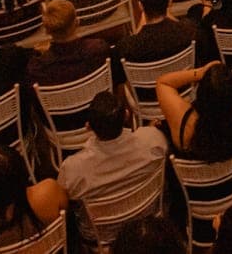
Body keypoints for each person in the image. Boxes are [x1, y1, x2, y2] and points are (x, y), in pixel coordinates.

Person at [55, 92, 168, 245]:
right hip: (146, 221)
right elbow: (153, 142)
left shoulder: (73, 169)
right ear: (126, 116)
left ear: (88, 127)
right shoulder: (153, 141)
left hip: (101, 238)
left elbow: (63, 203)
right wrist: (149, 131)